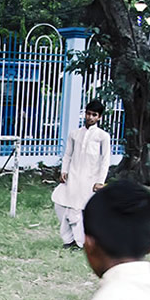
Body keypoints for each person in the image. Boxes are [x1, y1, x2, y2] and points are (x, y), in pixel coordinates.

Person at [52, 99, 111, 249]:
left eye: (94, 115)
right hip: (73, 176)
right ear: (84, 114)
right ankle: (70, 239)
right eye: (88, 113)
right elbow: (67, 155)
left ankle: (78, 243)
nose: (90, 117)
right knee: (59, 203)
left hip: (90, 179)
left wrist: (100, 181)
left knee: (76, 211)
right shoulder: (75, 134)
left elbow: (105, 160)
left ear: (99, 117)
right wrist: (64, 171)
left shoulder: (102, 136)